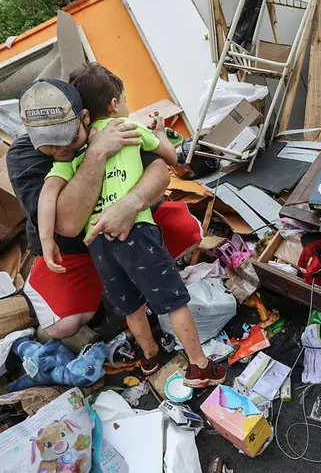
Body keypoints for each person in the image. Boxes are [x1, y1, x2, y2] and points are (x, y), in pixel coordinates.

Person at [30, 63, 226, 387]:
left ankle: (149, 357)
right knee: (173, 301)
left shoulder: (74, 155)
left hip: (98, 242)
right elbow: (171, 158)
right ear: (113, 104)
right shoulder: (128, 128)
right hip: (135, 231)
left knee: (132, 306)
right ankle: (200, 366)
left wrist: (46, 239)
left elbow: (48, 195)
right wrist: (161, 133)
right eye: (123, 99)